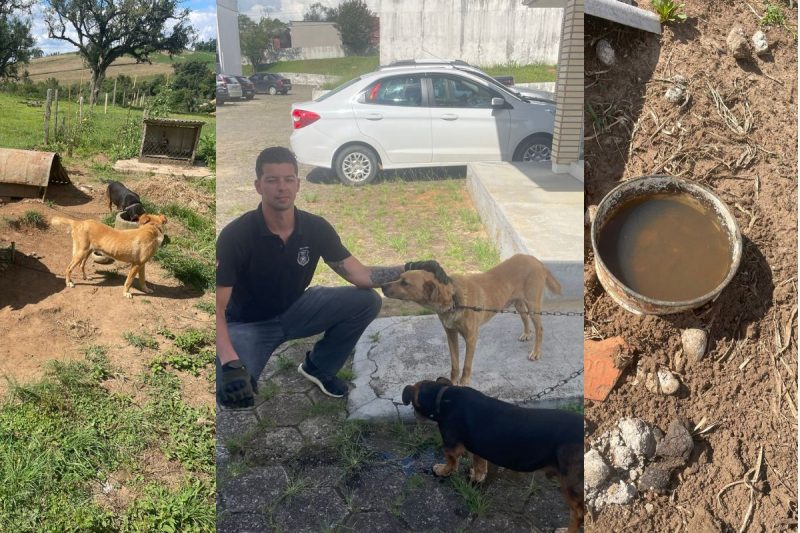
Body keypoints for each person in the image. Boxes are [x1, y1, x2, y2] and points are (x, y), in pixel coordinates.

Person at [216, 147, 446, 408]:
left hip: (296, 309)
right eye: (272, 180)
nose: (282, 187)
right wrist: (229, 361)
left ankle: (318, 367)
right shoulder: (235, 236)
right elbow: (217, 308)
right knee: (229, 392)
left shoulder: (315, 228)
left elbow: (360, 275)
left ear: (298, 184)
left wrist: (410, 266)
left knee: (366, 301)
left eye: (289, 179)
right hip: (248, 326)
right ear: (258, 186)